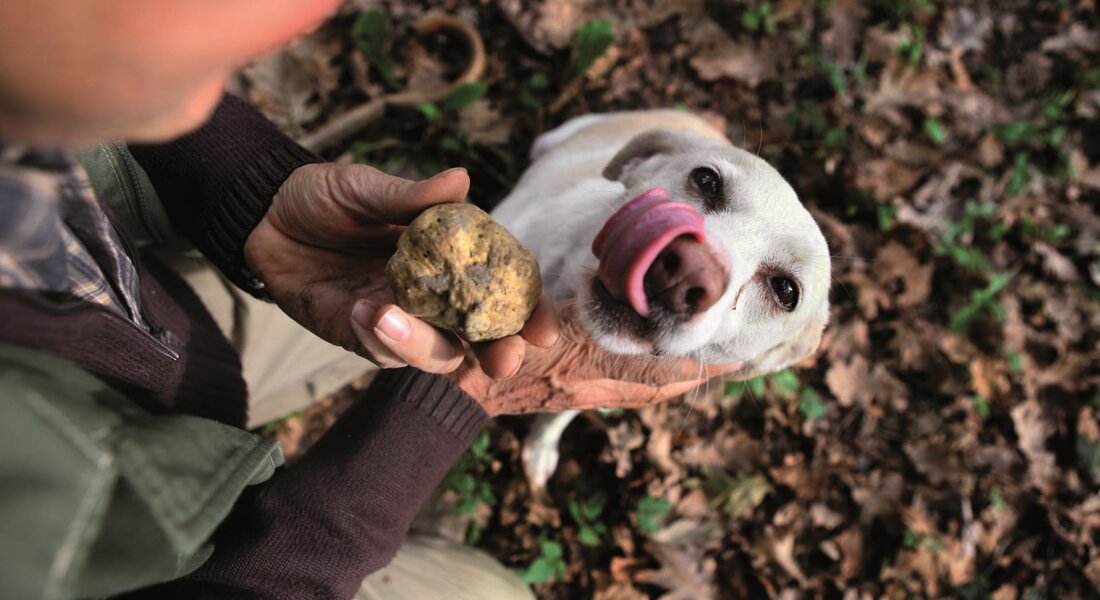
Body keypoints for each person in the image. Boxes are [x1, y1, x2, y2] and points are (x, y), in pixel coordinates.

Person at [0, 1, 737, 598]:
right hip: (171, 558)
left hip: (133, 330)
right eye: (199, 68)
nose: (214, 98)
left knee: (383, 327)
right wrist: (446, 410)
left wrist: (245, 188)